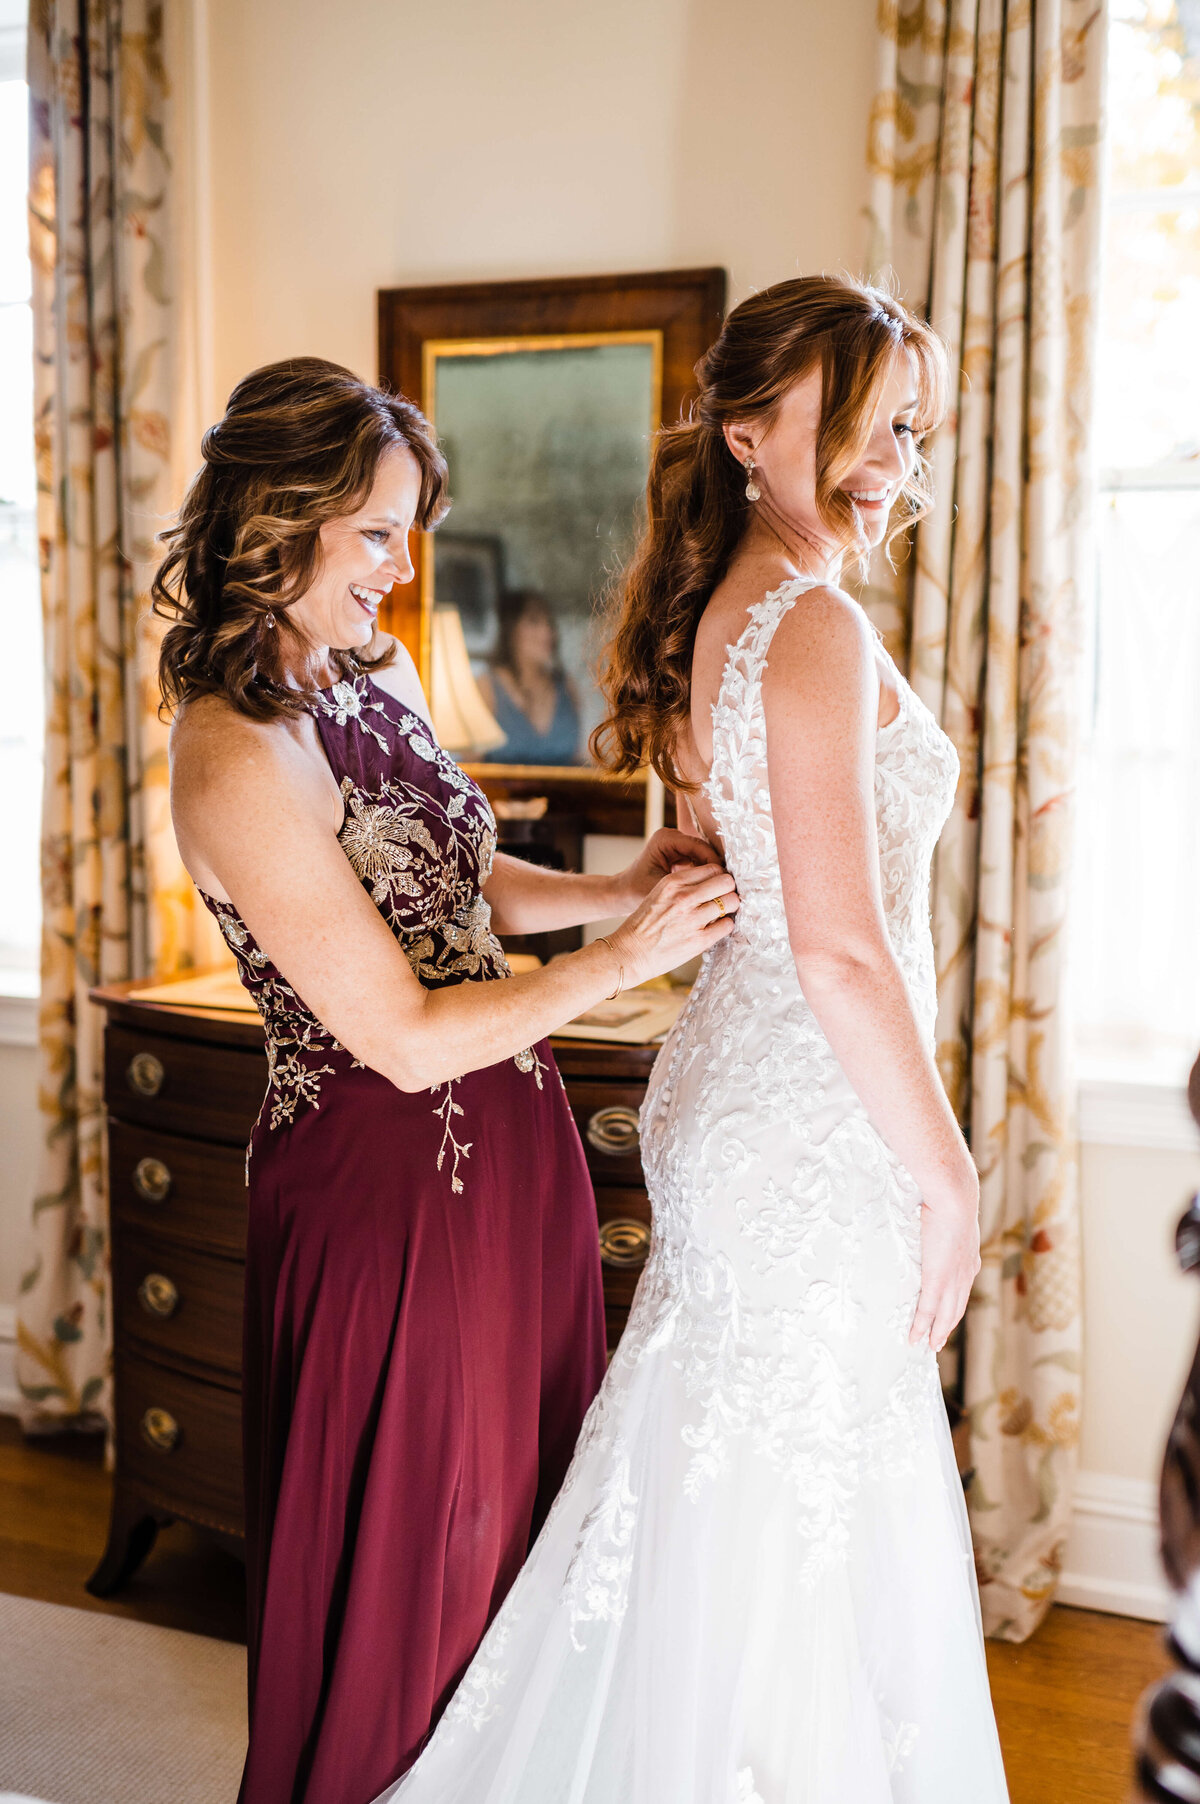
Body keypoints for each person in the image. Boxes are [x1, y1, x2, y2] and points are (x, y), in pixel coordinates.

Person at [380, 277, 1009, 1802]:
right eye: (859, 427)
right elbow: (844, 947)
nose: (892, 463)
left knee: (729, 1481)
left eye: (908, 431)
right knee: (796, 1507)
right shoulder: (812, 625)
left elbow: (762, 882)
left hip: (755, 1088)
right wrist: (951, 1180)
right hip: (808, 1107)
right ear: (747, 433)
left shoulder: (732, 608)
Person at [154, 356, 738, 1804]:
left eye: (408, 528)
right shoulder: (231, 759)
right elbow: (403, 1032)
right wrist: (629, 965)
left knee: (520, 1539)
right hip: (383, 1201)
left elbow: (463, 890)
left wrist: (615, 892)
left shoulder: (378, 676)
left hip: (510, 1165)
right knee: (421, 1550)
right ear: (277, 524)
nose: (399, 567)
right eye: (373, 532)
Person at [477, 587, 581, 764]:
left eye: (550, 623)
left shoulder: (566, 686)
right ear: (510, 630)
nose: (547, 633)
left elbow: (579, 760)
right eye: (534, 622)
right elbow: (471, 767)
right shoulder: (487, 687)